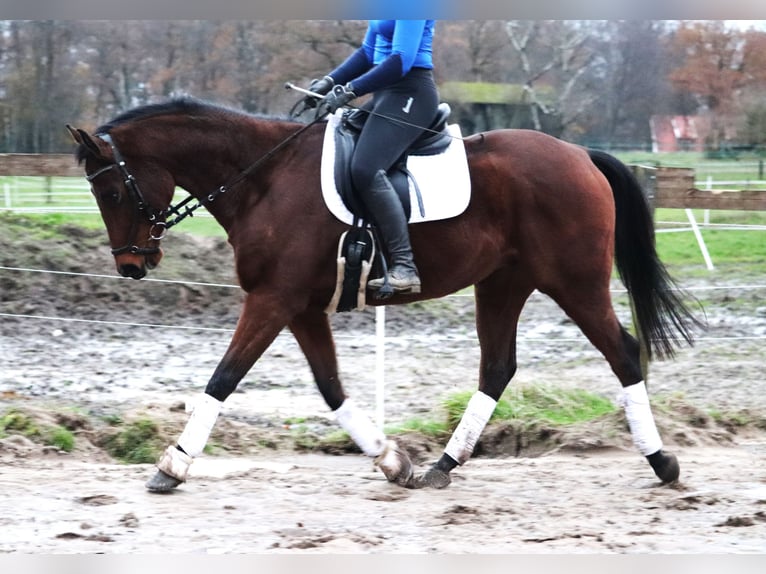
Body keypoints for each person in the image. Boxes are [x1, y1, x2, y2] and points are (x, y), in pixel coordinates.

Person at [307, 20, 439, 294]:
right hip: (385, 95)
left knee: (366, 168)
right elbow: (368, 52)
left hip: (411, 93)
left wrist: (351, 90)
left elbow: (401, 60)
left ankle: (405, 266)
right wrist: (329, 81)